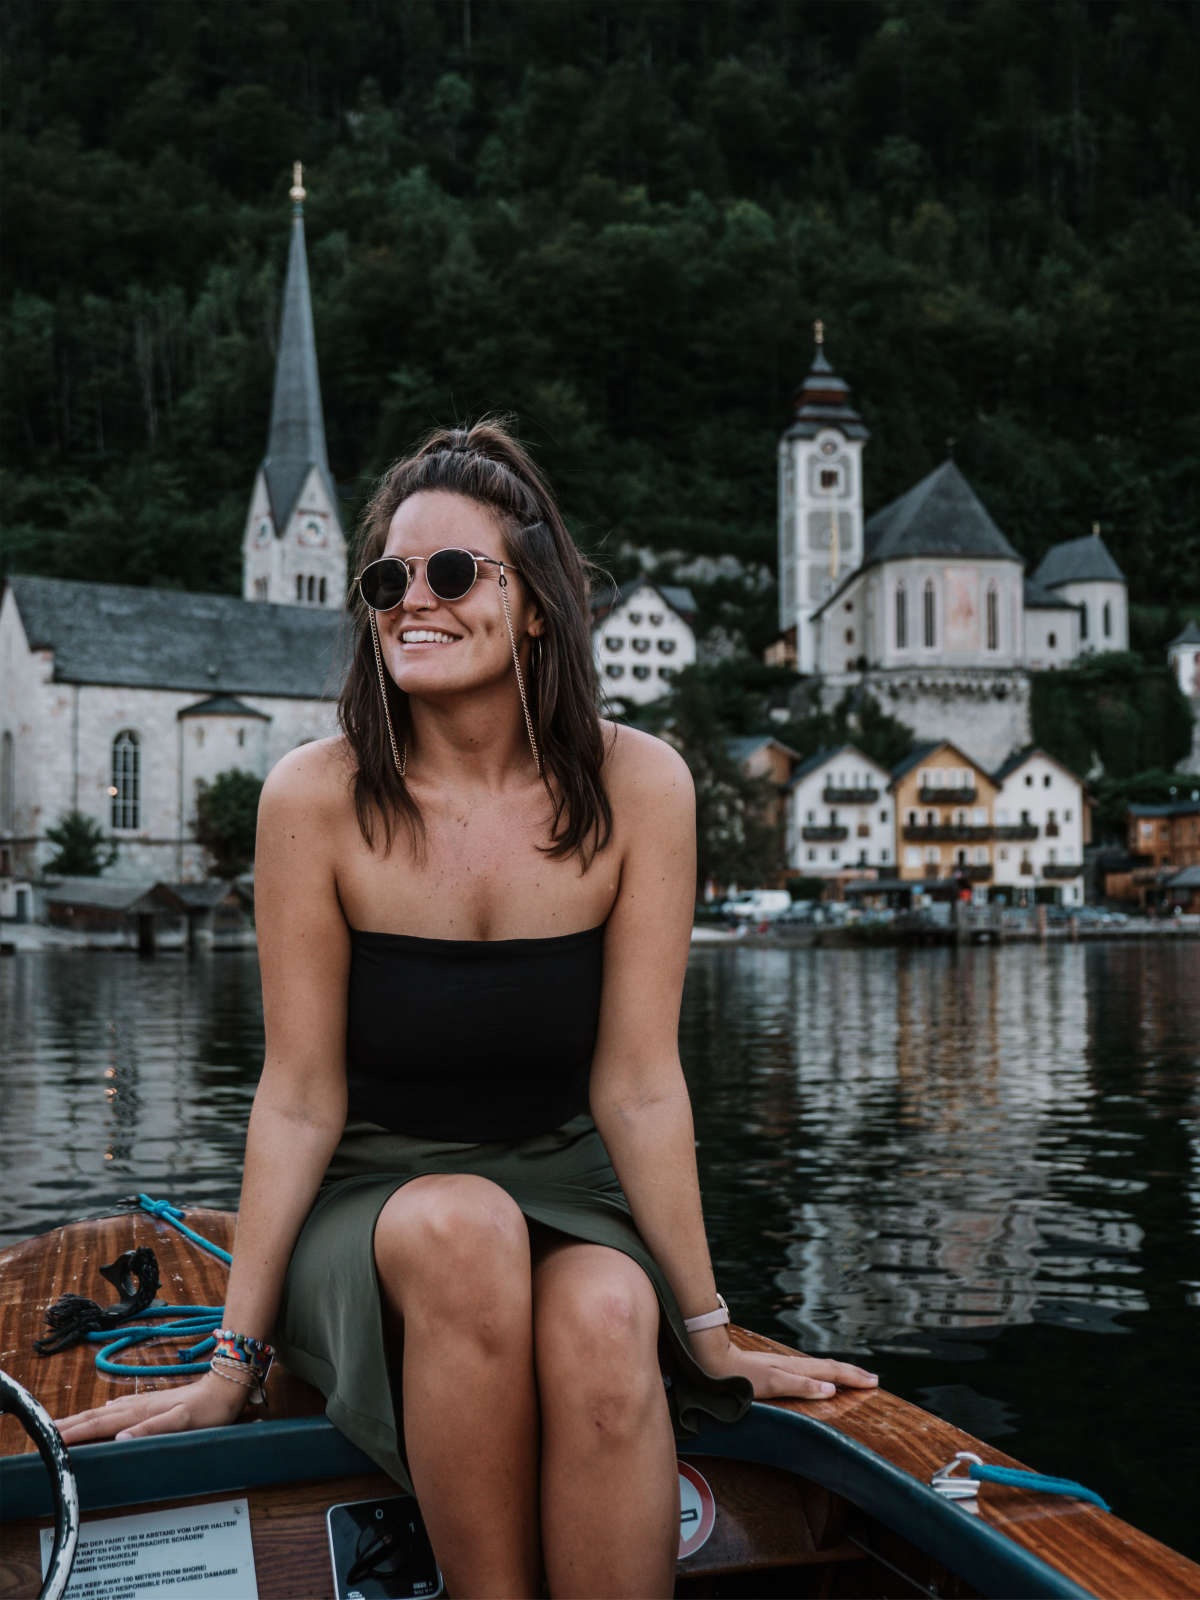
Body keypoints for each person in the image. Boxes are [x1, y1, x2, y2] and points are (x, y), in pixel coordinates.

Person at [58, 421, 877, 1597]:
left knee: (607, 1307)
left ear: (536, 603)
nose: (412, 601)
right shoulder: (317, 796)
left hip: (563, 1174)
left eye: (454, 573)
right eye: (389, 579)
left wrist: (709, 1329)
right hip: (380, 1196)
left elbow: (639, 1083)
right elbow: (297, 1098)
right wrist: (232, 1364)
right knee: (463, 1227)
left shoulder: (642, 786)